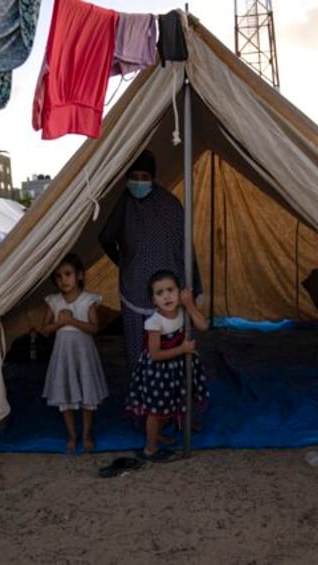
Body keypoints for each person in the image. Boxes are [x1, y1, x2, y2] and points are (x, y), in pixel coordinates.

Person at [99, 149, 203, 372]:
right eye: (134, 177)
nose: (138, 182)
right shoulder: (124, 205)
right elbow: (106, 237)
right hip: (134, 289)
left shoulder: (170, 205)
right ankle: (142, 395)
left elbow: (185, 247)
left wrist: (191, 284)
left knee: (169, 347)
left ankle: (169, 394)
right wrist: (123, 262)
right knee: (138, 350)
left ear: (153, 178)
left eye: (144, 177)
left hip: (167, 293)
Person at [125, 270, 209, 462]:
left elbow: (203, 326)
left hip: (176, 368)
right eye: (159, 293)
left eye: (170, 290)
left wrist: (190, 305)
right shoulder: (154, 322)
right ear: (154, 300)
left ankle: (161, 433)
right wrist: (183, 349)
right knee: (156, 411)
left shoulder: (183, 312)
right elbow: (155, 355)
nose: (166, 296)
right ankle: (150, 448)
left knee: (173, 400)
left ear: (179, 293)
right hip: (158, 372)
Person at [40, 253, 109, 453]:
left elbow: (94, 328)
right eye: (58, 276)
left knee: (88, 394)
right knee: (65, 394)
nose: (64, 280)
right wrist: (59, 323)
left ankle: (86, 433)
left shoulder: (88, 300)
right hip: (63, 356)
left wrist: (71, 321)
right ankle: (72, 434)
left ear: (79, 275)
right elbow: (45, 328)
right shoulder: (53, 301)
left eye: (68, 274)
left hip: (84, 356)